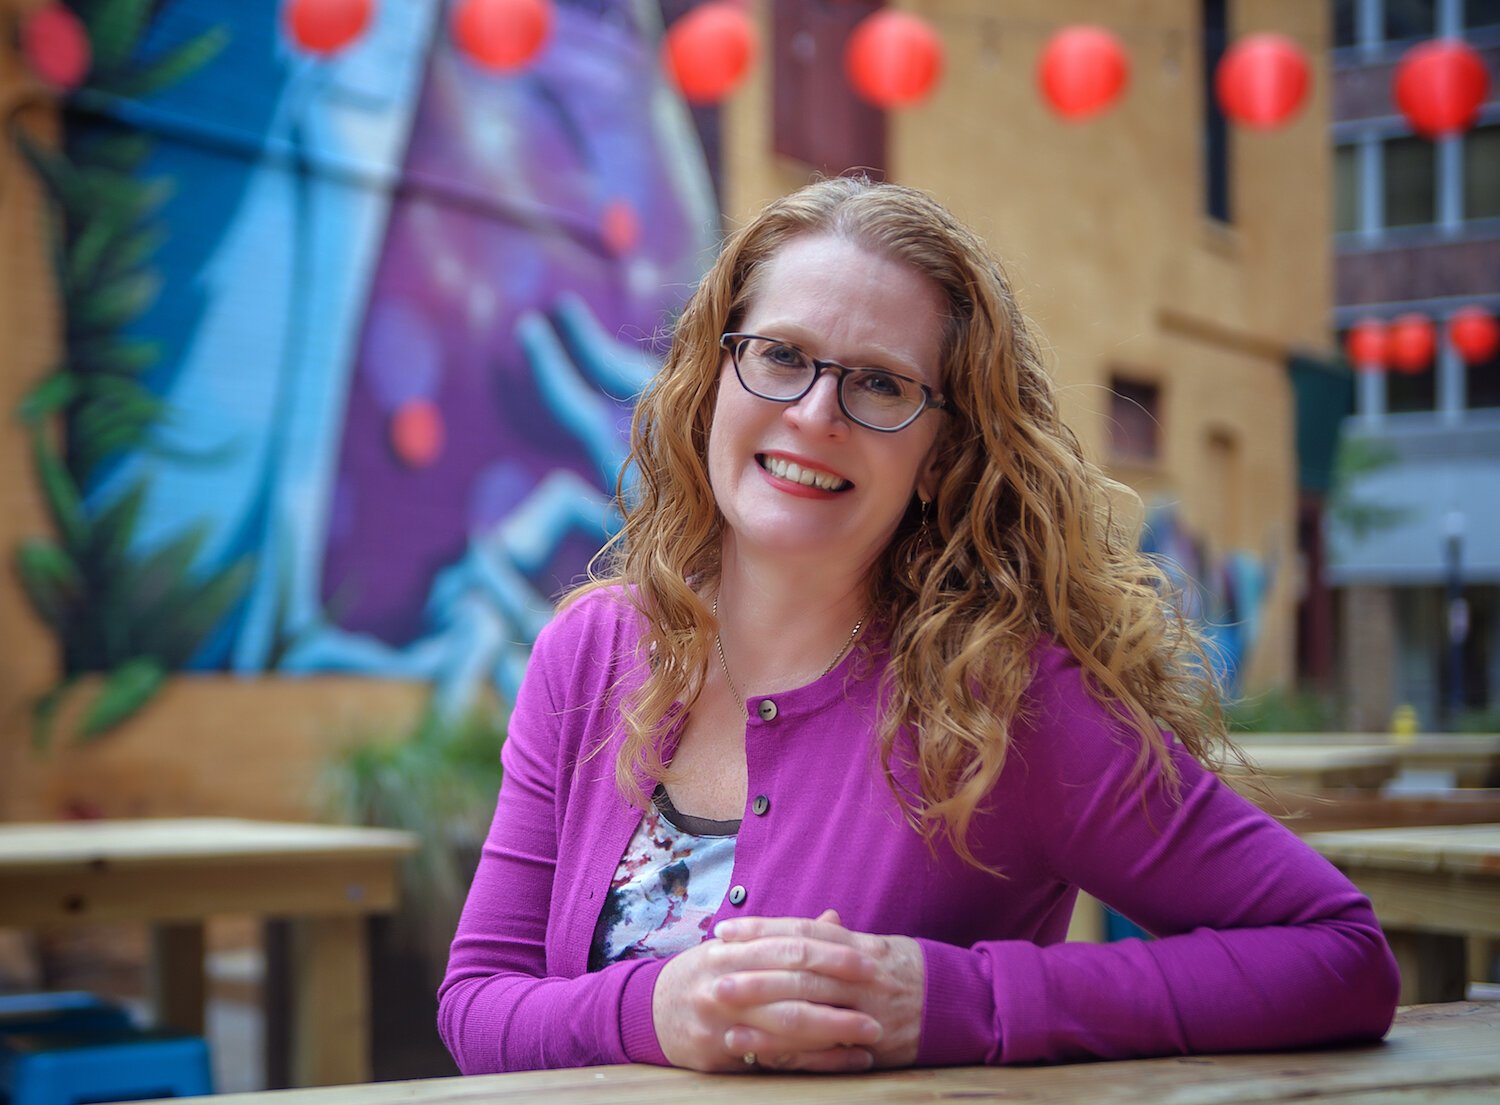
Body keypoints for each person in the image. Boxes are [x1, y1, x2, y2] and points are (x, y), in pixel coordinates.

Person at [437, 177, 1399, 1075]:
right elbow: (476, 1002)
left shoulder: (1007, 699)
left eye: (882, 385)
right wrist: (653, 1013)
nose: (816, 414)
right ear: (712, 378)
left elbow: (1340, 954)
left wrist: (952, 999)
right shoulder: (589, 652)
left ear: (941, 456)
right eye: (779, 355)